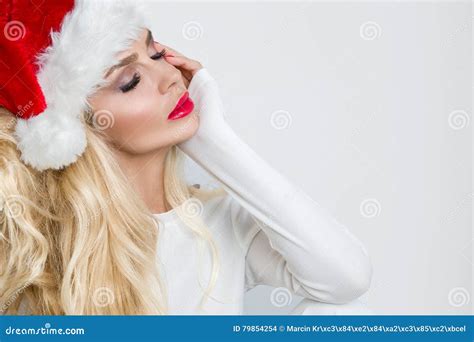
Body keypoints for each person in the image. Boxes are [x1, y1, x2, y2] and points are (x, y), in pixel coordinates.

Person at [0, 0, 372, 315]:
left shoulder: (217, 222)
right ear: (77, 128)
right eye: (130, 80)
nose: (170, 77)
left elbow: (346, 280)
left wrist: (214, 142)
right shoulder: (35, 256)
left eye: (157, 52)